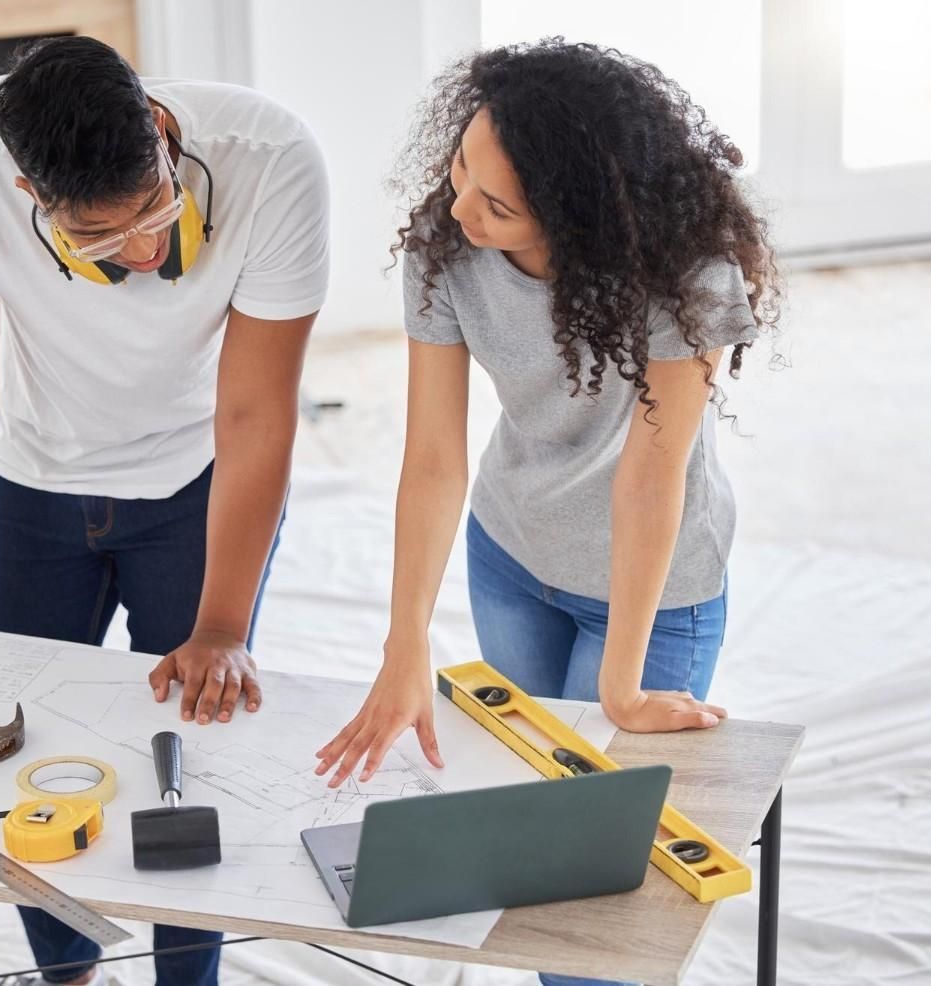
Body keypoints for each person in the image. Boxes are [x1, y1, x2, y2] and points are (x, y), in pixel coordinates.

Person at [315, 39, 779, 986]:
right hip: (511, 558)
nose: (459, 209)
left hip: (653, 593)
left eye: (498, 205)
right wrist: (405, 642)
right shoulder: (445, 245)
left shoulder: (684, 271)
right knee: (540, 874)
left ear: (579, 213)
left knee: (598, 915)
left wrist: (621, 688)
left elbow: (651, 476)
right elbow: (433, 458)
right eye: (460, 169)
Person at [0, 35, 329, 986]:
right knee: (25, 738)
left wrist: (221, 626)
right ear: (31, 196)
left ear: (161, 130)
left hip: (198, 480)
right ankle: (68, 972)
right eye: (100, 237)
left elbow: (256, 411)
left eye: (156, 209)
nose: (146, 250)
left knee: (195, 752)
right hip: (33, 483)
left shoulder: (274, 158)